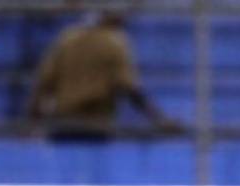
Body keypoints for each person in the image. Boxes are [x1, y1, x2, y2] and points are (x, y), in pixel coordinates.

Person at [26, 11, 180, 141]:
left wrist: (32, 121)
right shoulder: (115, 42)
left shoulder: (67, 38)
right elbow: (128, 87)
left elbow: (44, 81)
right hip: (95, 124)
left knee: (66, 174)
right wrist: (159, 119)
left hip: (62, 123)